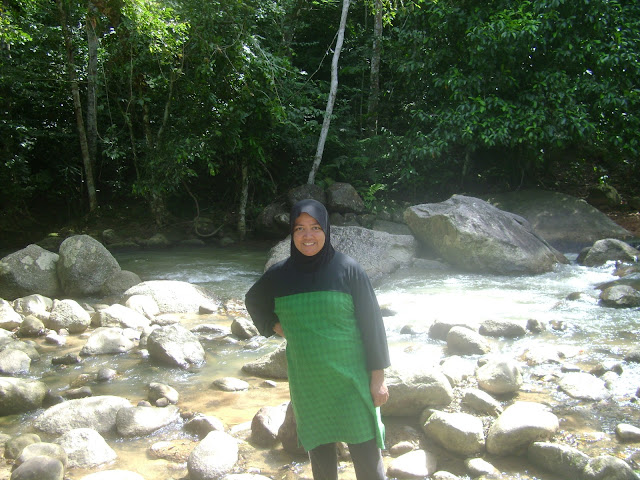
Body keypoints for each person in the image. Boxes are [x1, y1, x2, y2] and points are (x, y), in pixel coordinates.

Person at [245, 199, 390, 480]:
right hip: (309, 383)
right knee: (322, 465)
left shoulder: (348, 269)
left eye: (315, 227)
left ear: (326, 229)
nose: (307, 235)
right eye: (299, 228)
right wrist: (278, 326)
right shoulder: (280, 274)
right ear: (292, 232)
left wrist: (378, 379)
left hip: (353, 382)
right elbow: (254, 300)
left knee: (369, 463)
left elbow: (373, 325)